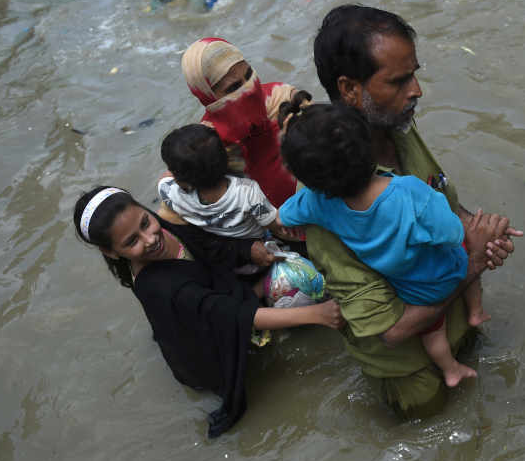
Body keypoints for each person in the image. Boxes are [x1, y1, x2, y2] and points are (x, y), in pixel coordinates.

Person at [305, 4, 523, 419]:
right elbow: (391, 331)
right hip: (409, 365)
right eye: (400, 80)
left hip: (455, 317)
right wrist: (473, 260)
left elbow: (437, 194)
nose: (417, 89)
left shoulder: (395, 122)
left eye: (414, 73)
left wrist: (478, 231)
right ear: (350, 89)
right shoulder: (329, 192)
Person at [74, 186, 344, 438]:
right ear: (111, 253)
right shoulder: (166, 288)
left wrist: (247, 249)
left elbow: (204, 240)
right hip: (210, 322)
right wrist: (320, 314)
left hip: (213, 299)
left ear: (145, 210)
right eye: (132, 241)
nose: (151, 238)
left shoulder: (163, 224)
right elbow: (237, 316)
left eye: (146, 222)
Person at [278, 101, 488, 388]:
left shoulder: (319, 205)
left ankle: (451, 370)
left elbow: (285, 214)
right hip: (447, 273)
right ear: (369, 146)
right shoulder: (411, 192)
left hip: (408, 291)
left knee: (432, 330)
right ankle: (475, 311)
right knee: (467, 250)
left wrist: (288, 222)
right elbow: (451, 232)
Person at [180, 38, 306, 210]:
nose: (250, 88)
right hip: (277, 230)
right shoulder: (208, 144)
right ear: (209, 97)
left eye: (248, 75)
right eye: (234, 88)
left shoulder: (282, 96)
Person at [157, 125, 304, 261]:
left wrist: (182, 169)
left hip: (232, 259)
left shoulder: (173, 195)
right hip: (256, 245)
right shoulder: (247, 190)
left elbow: (163, 180)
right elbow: (272, 221)